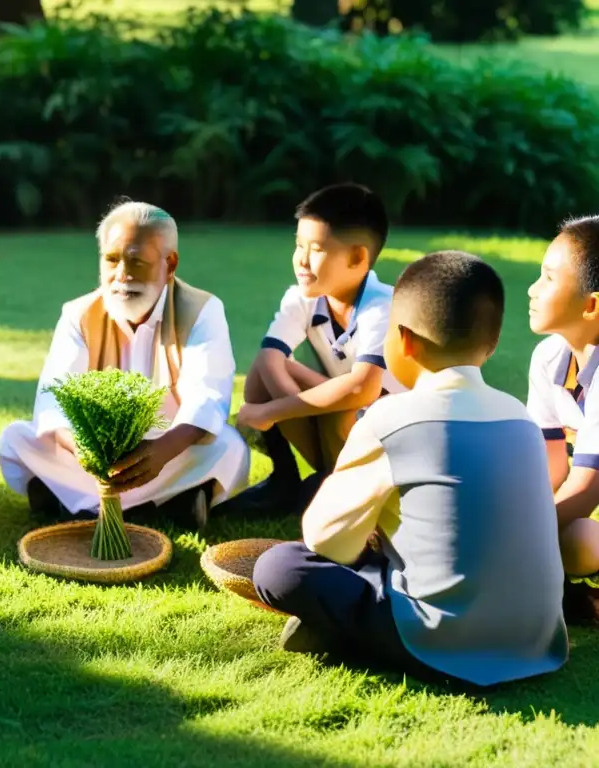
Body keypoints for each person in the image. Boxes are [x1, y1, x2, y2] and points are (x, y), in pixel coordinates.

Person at [250, 251, 568, 687]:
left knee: (280, 567)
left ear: (404, 341)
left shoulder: (390, 417)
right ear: (491, 344)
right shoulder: (521, 419)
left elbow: (325, 541)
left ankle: (345, 635)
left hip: (442, 642)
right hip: (536, 639)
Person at [0, 201, 249, 529]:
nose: (121, 276)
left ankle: (72, 503)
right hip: (91, 453)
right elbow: (53, 397)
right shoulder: (79, 314)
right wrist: (83, 451)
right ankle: (170, 504)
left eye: (136, 261)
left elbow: (207, 396)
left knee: (230, 448)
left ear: (169, 264)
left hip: (167, 448)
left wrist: (161, 451)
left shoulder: (202, 310)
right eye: (112, 260)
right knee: (17, 439)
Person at [231, 183, 404, 516]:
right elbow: (269, 359)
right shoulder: (303, 297)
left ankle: (349, 492)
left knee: (347, 407)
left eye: (317, 248)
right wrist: (290, 408)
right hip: (344, 423)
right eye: (298, 245)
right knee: (262, 372)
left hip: (388, 442)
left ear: (357, 257)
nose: (302, 260)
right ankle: (287, 480)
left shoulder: (383, 306)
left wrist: (271, 413)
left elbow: (363, 387)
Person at [525, 215, 599, 617]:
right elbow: (550, 466)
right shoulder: (550, 356)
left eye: (549, 279)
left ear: (591, 305)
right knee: (573, 539)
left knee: (582, 540)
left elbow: (587, 489)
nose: (533, 290)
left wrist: (512, 543)